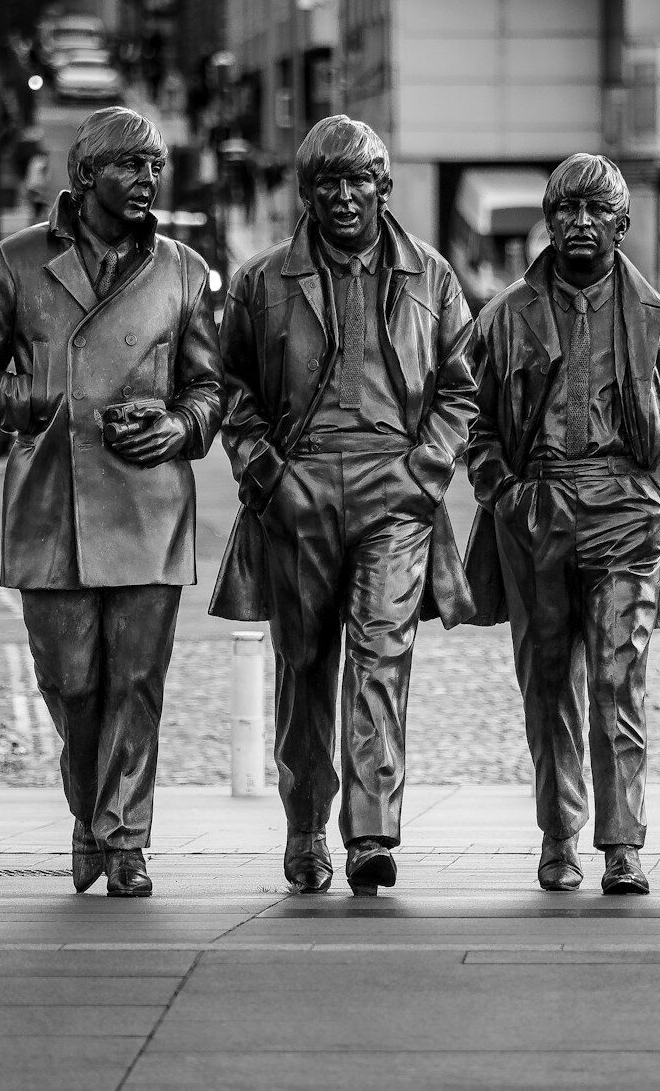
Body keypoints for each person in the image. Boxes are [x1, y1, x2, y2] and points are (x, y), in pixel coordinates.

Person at [0, 107, 225, 899]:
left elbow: (212, 389)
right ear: (87, 175)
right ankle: (89, 812)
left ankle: (124, 840)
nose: (146, 181)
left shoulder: (182, 269)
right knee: (70, 683)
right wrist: (42, 397)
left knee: (138, 682)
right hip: (50, 507)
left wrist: (176, 425)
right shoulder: (17, 262)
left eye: (154, 167)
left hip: (148, 505)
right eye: (130, 166)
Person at [210, 114, 477, 896]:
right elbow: (233, 392)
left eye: (359, 180)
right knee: (304, 668)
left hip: (393, 491)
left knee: (382, 657)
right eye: (327, 182)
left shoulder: (432, 277)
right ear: (307, 193)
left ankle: (369, 832)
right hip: (298, 489)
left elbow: (460, 389)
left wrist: (423, 471)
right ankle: (303, 824)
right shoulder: (262, 282)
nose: (345, 196)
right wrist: (268, 475)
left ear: (383, 187)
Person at [464, 154, 660, 895]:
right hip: (538, 509)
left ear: (621, 226)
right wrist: (507, 493)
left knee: (617, 679)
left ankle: (623, 843)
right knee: (547, 684)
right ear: (548, 220)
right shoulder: (505, 316)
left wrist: (655, 498)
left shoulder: (656, 317)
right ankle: (559, 834)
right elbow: (471, 424)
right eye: (565, 210)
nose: (578, 223)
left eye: (596, 211)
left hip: (624, 513)